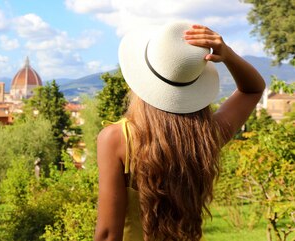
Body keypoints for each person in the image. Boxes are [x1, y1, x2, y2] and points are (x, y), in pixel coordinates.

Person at [94, 22, 266, 241]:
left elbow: (108, 234)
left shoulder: (117, 139)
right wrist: (228, 54)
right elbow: (253, 89)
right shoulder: (204, 138)